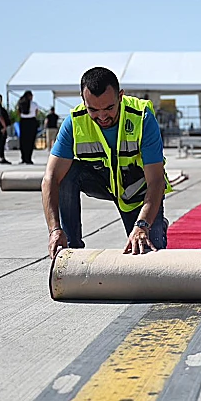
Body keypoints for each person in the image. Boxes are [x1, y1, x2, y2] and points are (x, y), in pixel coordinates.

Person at [43, 67, 173, 259]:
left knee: (146, 254)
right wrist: (55, 230)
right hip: (102, 181)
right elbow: (50, 179)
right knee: (66, 174)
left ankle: (157, 225)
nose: (102, 117)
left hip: (136, 190)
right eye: (93, 110)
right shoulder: (74, 122)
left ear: (120, 96)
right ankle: (71, 247)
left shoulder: (142, 118)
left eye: (109, 108)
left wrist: (142, 225)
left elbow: (156, 180)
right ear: (83, 101)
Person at [17, 90, 38, 164]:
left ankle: (23, 158)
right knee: (30, 141)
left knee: (23, 141)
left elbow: (18, 113)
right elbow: (36, 113)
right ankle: (28, 158)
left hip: (23, 122)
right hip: (31, 121)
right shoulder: (34, 104)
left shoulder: (20, 103)